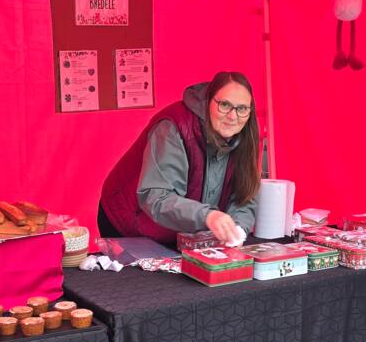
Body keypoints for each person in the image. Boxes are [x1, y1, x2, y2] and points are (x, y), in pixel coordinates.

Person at [99, 71, 261, 247]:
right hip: (130, 221)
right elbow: (157, 197)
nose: (232, 116)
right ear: (209, 101)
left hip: (181, 232)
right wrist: (207, 216)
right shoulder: (172, 128)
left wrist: (237, 229)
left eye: (242, 109)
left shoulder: (245, 134)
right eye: (224, 105)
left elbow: (245, 194)